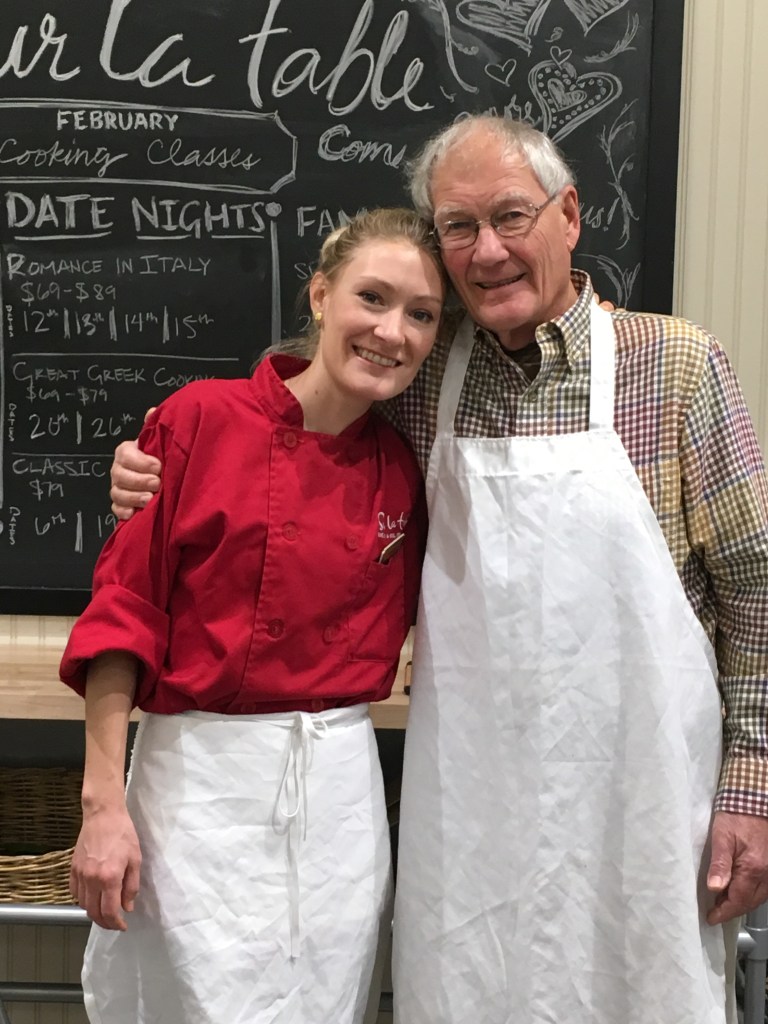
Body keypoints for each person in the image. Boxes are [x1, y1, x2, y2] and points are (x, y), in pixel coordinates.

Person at [109, 116, 768, 1024]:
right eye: (459, 226)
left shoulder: (677, 366)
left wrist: (751, 788)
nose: (487, 250)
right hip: (471, 811)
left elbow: (755, 589)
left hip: (643, 806)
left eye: (511, 216)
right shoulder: (419, 374)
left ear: (570, 215)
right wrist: (151, 464)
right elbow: (284, 410)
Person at [60, 207, 446, 1024]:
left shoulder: (403, 466)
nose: (392, 331)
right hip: (198, 794)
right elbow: (124, 616)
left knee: (326, 1003)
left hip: (339, 801)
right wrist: (102, 808)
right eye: (372, 298)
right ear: (320, 295)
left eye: (421, 314)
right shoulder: (199, 420)